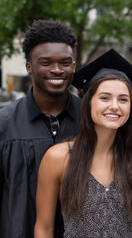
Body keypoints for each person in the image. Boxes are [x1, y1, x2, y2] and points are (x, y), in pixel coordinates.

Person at [34, 49, 132, 237]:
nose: (115, 106)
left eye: (123, 99)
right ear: (89, 102)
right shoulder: (58, 158)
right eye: (105, 97)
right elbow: (44, 228)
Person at [0, 20, 79, 238]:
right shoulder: (4, 125)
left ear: (74, 66)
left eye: (65, 63)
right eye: (45, 63)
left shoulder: (91, 121)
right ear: (29, 67)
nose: (56, 70)